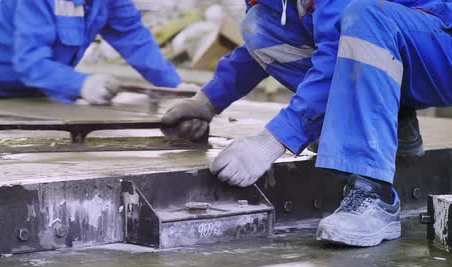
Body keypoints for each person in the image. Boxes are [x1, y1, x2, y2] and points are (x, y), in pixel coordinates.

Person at [162, 0, 452, 247]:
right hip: (407, 44)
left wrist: (270, 142)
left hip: (441, 40)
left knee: (365, 17)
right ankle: (394, 122)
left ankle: (375, 195)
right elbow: (264, 48)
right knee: (260, 26)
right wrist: (206, 102)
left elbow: (335, 56)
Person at [0, 0, 183, 105]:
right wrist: (81, 84)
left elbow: (134, 38)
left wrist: (176, 86)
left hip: (32, 96)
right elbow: (29, 62)